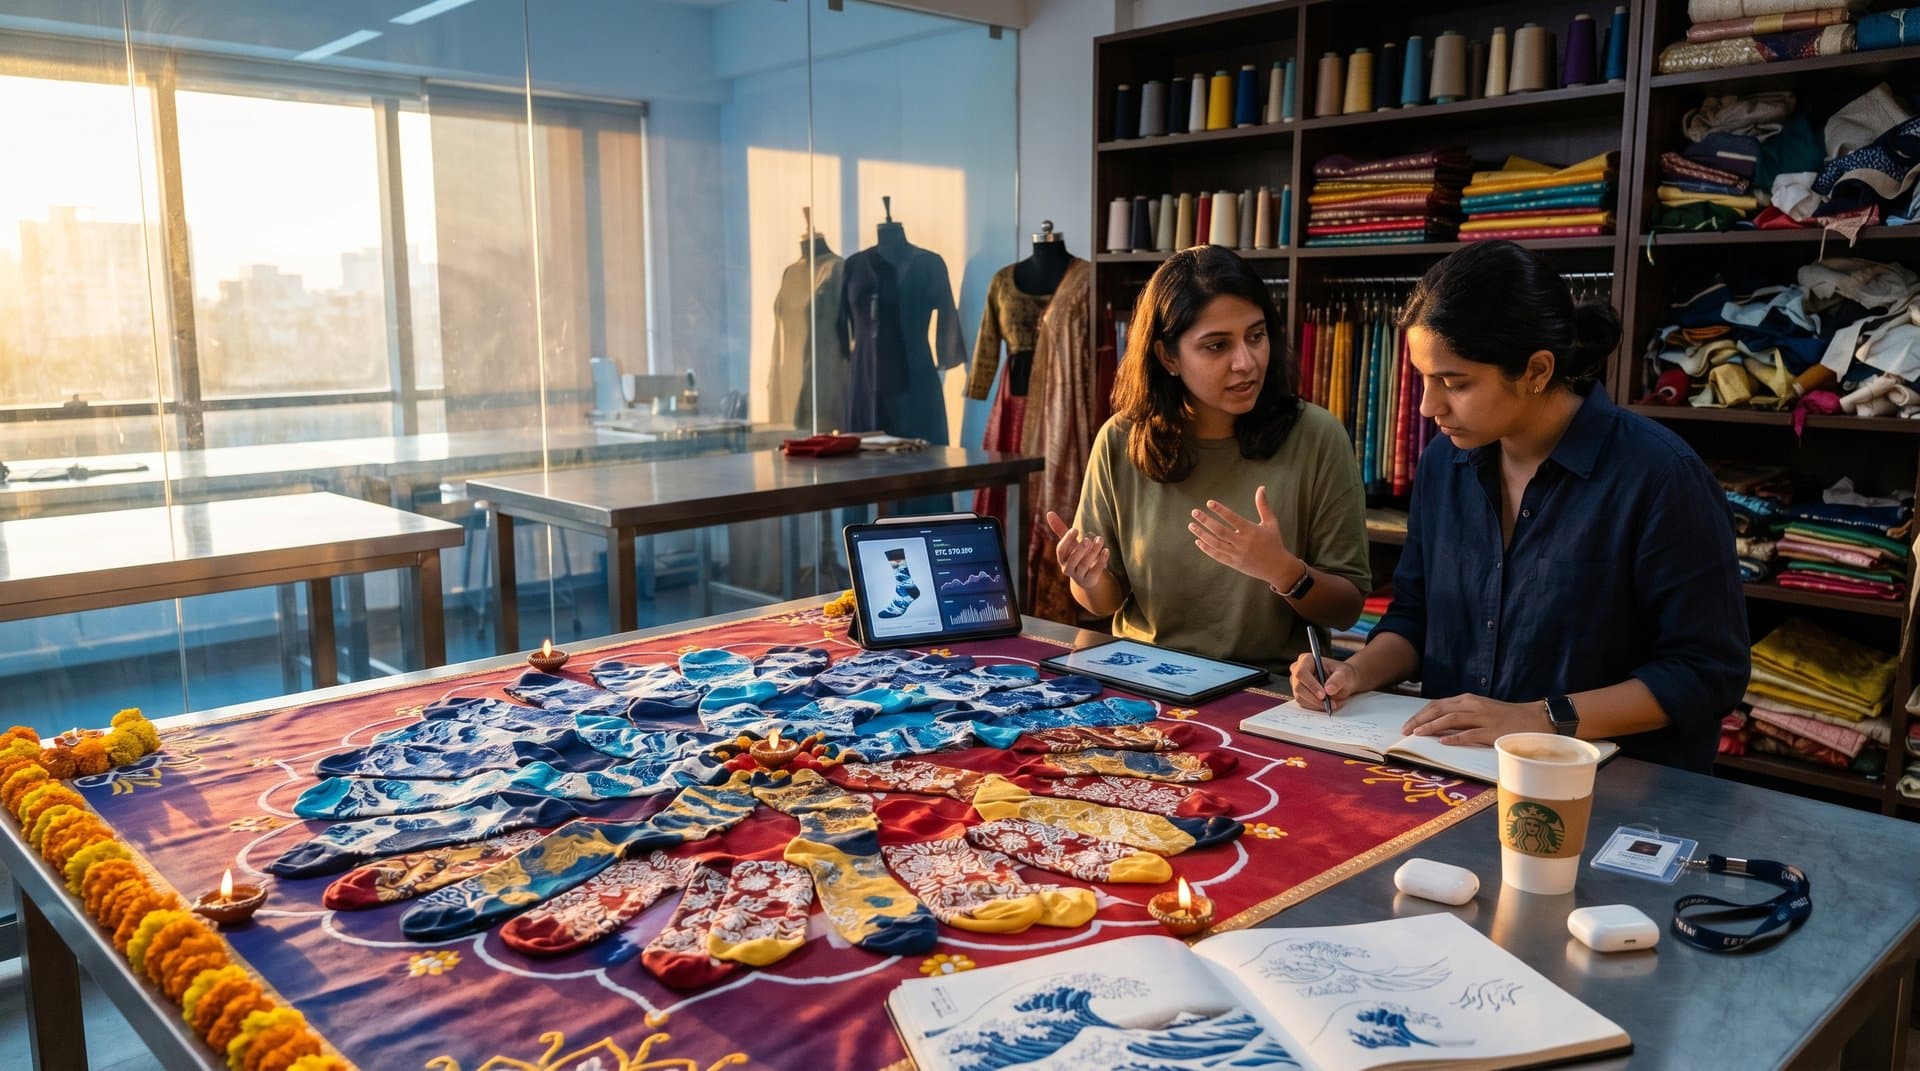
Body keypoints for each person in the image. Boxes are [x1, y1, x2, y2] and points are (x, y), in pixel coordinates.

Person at [1288, 241, 1748, 772]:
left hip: (1616, 790)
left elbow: (1707, 672)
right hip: (1455, 776)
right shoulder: (1445, 464)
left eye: (1454, 383)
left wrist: (1539, 719)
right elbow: (1416, 617)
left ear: (1535, 369)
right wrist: (1355, 672)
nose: (1428, 406)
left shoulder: (1660, 477)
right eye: (1423, 379)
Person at [1045, 245, 1371, 675]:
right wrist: (1085, 579)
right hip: (1144, 676)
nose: (1246, 362)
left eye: (1256, 336)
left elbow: (1346, 609)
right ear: (1167, 357)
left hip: (1267, 689)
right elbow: (1106, 602)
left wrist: (1283, 570)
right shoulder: (1120, 440)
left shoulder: (1317, 437)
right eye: (1217, 346)